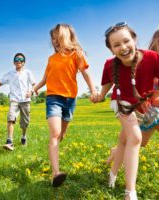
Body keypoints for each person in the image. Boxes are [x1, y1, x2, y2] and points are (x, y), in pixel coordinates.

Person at [93, 22, 159, 200]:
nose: (123, 47)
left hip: (142, 104)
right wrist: (99, 96)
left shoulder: (152, 58)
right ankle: (130, 192)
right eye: (116, 45)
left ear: (134, 39)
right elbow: (106, 85)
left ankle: (112, 173)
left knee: (127, 141)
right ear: (111, 50)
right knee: (135, 138)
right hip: (121, 102)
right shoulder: (109, 65)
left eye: (126, 41)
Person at [34, 24, 97, 187]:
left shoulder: (77, 54)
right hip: (53, 98)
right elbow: (45, 79)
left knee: (60, 135)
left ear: (66, 36)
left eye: (57, 37)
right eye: (52, 38)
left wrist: (93, 91)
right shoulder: (51, 59)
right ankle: (56, 173)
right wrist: (34, 88)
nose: (54, 41)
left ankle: (53, 152)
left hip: (70, 100)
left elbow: (86, 73)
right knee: (55, 133)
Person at [0, 53, 35, 151]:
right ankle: (9, 142)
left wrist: (31, 91)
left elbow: (34, 84)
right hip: (14, 100)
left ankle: (23, 136)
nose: (19, 61)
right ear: (13, 62)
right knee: (11, 118)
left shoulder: (28, 73)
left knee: (25, 122)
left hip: (25, 100)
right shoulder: (10, 74)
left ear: (24, 62)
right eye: (17, 59)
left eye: (21, 59)